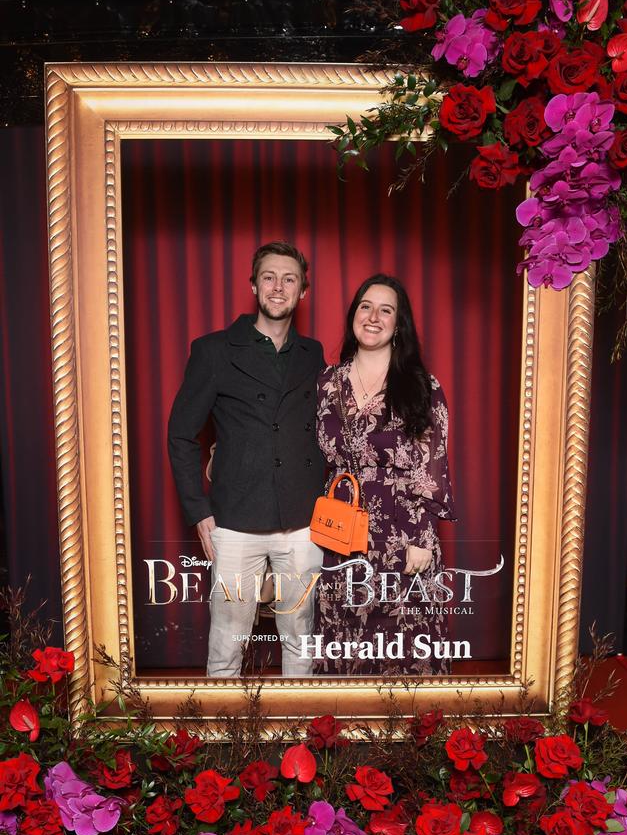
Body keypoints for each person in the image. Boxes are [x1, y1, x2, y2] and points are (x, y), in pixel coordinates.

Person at [168, 241, 324, 677]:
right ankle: (225, 741)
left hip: (303, 522)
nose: (279, 287)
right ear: (253, 285)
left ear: (303, 291)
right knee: (227, 643)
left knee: (300, 637)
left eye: (289, 279)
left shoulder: (313, 354)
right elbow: (181, 434)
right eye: (269, 277)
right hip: (234, 523)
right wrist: (199, 513)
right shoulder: (214, 350)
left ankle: (301, 738)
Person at [314, 274, 455, 676]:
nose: (373, 317)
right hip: (340, 534)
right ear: (353, 316)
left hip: (403, 535)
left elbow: (433, 464)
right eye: (365, 306)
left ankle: (414, 737)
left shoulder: (421, 386)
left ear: (399, 324)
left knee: (405, 646)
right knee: (343, 639)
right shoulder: (327, 383)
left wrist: (423, 539)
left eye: (386, 310)